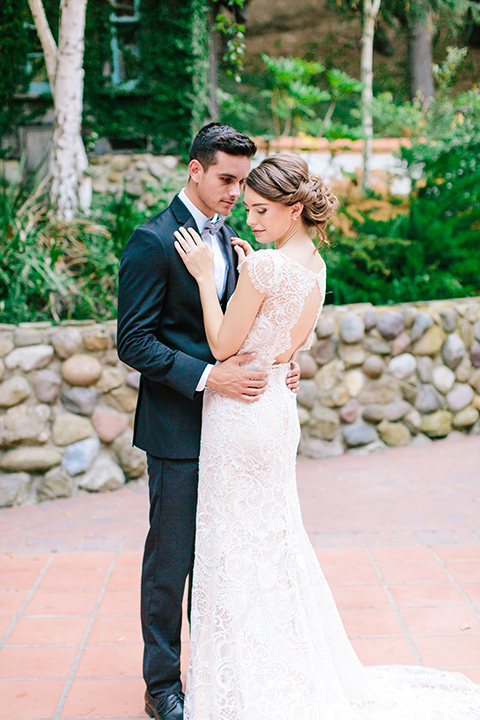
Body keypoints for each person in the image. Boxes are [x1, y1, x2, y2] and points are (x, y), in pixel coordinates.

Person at [175, 153, 480, 720]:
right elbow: (288, 346)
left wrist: (202, 278)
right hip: (276, 408)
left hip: (240, 414)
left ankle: (246, 679)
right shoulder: (312, 265)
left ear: (294, 209)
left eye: (263, 211)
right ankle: (284, 665)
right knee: (272, 537)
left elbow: (221, 346)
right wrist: (253, 278)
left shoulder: (265, 267)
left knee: (233, 542)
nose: (253, 220)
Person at [116, 124, 300, 720]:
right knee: (171, 562)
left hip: (235, 428)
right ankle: (163, 686)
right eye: (226, 179)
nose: (234, 193)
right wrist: (207, 377)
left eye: (243, 183)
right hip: (178, 430)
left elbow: (240, 327)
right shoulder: (151, 240)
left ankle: (219, 674)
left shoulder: (229, 238)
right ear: (194, 170)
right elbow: (134, 342)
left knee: (222, 558)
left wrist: (279, 365)